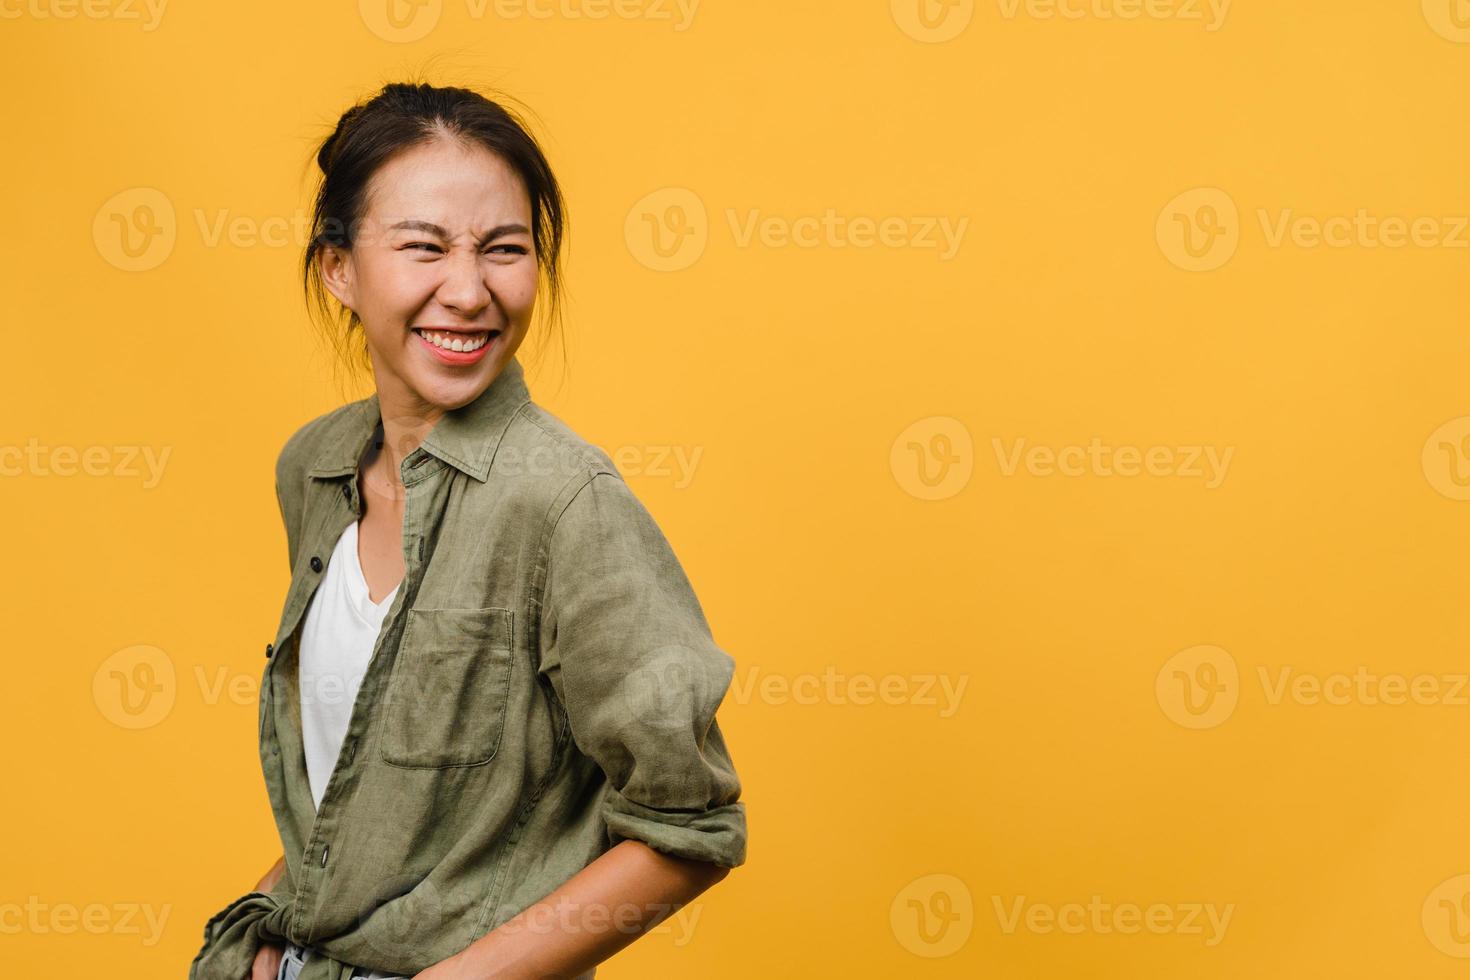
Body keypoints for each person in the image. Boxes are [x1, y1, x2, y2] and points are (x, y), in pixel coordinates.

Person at [188, 81, 748, 980]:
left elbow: (691, 829)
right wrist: (269, 931)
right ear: (338, 268)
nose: (469, 289)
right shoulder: (316, 468)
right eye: (424, 247)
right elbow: (364, 788)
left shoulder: (567, 503)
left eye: (504, 249)